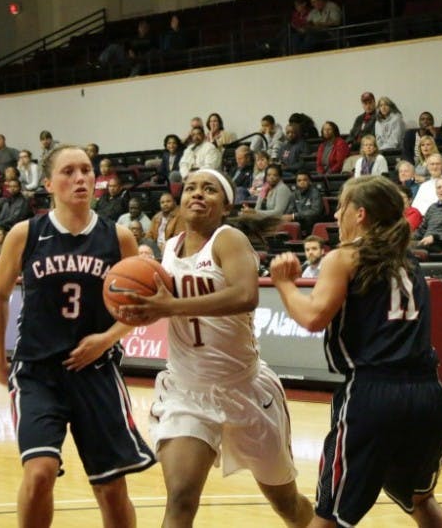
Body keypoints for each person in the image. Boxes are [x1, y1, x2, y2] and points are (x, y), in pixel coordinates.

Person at [116, 169, 313, 527]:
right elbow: (152, 305)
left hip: (245, 390)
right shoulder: (169, 247)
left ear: (225, 204)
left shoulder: (229, 239)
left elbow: (245, 295)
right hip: (186, 392)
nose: (197, 194)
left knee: (287, 504)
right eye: (190, 188)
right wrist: (110, 331)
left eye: (209, 190)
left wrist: (170, 307)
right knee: (180, 499)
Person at [269, 175, 442, 527]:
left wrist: (283, 285)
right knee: (421, 500)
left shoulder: (344, 257)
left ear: (361, 214)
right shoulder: (409, 260)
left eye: (342, 206)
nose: (336, 213)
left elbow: (312, 317)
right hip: (428, 394)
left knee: (330, 518)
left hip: (373, 395)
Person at [0, 144, 155, 528]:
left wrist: (106, 339)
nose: (80, 178)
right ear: (48, 183)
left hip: (96, 373)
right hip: (38, 372)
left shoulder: (118, 236)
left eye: (86, 170)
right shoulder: (25, 233)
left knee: (111, 489)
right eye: (68, 171)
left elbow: (141, 308)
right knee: (39, 473)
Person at [283, 171, 324, 235]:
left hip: (312, 225)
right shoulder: (294, 194)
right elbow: (289, 211)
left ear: (310, 182)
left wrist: (294, 216)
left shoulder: (315, 193)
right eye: (299, 180)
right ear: (296, 183)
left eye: (305, 180)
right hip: (299, 224)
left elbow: (315, 211)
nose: (302, 182)